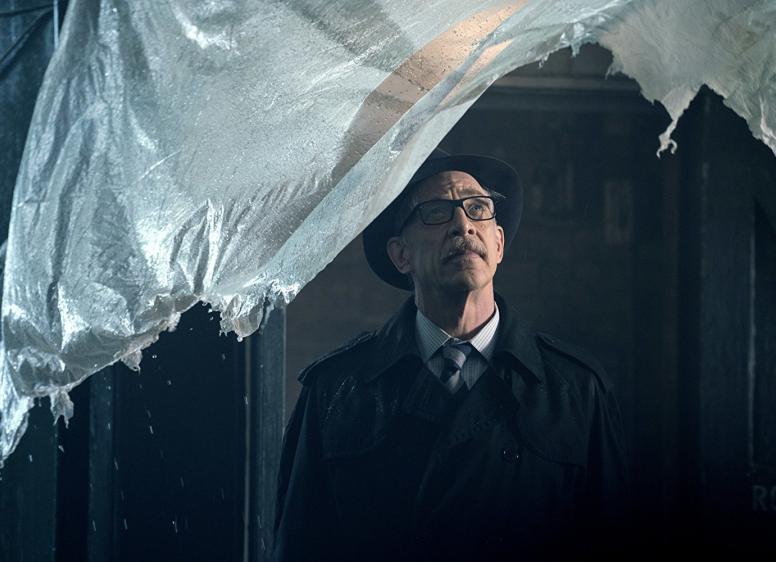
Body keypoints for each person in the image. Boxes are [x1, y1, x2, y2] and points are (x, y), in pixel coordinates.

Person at [273, 149, 629, 561]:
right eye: (437, 213)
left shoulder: (576, 389)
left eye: (478, 209)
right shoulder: (336, 391)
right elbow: (298, 545)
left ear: (498, 244)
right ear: (401, 254)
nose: (463, 225)